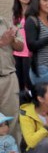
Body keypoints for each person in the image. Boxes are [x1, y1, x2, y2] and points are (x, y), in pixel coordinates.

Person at [0, 12, 23, 141]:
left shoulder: (5, 22)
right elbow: (3, 42)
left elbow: (21, 47)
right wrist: (2, 42)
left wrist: (13, 39)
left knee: (12, 120)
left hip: (9, 77)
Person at [12, 0, 32, 94]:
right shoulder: (16, 14)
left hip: (28, 52)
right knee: (18, 81)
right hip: (17, 51)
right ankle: (21, 105)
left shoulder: (33, 13)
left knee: (28, 82)